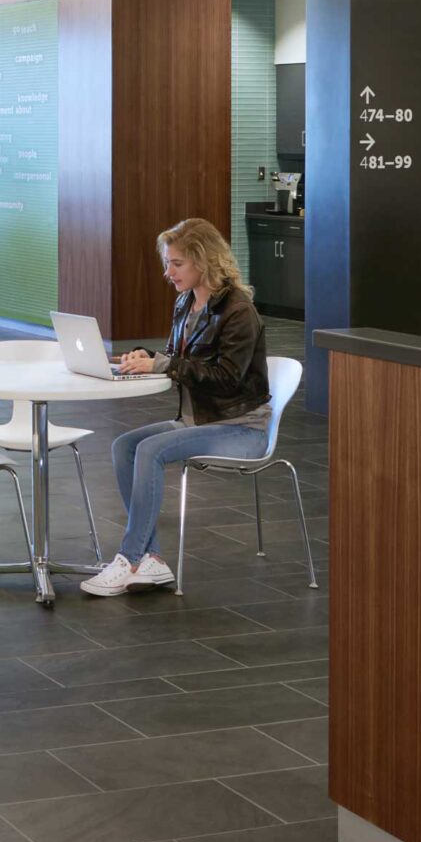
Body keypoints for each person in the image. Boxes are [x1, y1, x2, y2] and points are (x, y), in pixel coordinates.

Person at [81, 216, 271, 597]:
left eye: (177, 263)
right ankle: (152, 559)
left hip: (241, 428)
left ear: (205, 260)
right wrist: (148, 357)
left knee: (150, 450)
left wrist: (164, 364)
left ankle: (130, 558)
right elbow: (177, 357)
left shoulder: (238, 311)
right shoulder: (186, 302)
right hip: (198, 420)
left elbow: (227, 378)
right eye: (168, 263)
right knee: (124, 446)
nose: (168, 272)